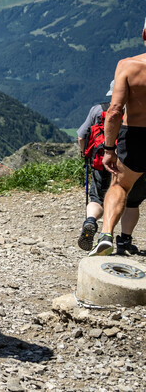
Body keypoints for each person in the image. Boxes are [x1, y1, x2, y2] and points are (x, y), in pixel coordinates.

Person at [91, 17, 146, 256]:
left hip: (135, 136)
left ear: (144, 34)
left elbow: (113, 112)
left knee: (120, 185)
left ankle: (105, 235)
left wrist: (109, 149)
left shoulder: (128, 66)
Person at [76, 81, 145, 254]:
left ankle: (91, 221)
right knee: (132, 202)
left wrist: (85, 154)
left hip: (102, 161)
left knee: (97, 198)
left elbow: (81, 136)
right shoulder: (140, 112)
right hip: (132, 163)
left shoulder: (98, 110)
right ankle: (124, 241)